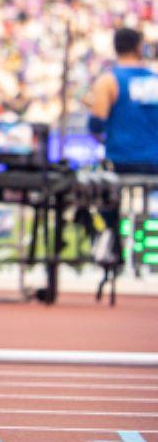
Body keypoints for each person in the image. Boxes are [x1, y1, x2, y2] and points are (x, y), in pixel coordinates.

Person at [87, 27, 158, 267]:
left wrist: (104, 138)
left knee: (95, 188)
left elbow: (96, 123)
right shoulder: (155, 80)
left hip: (121, 162)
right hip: (155, 163)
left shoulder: (108, 80)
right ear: (139, 47)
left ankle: (112, 243)